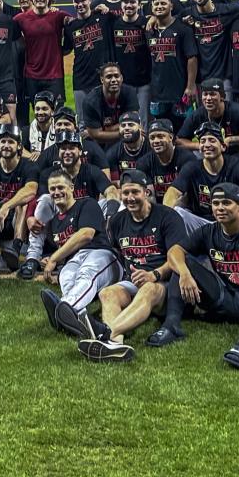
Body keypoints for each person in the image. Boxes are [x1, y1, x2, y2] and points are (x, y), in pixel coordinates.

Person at [146, 182, 239, 370]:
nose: (220, 208)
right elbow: (175, 251)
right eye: (216, 203)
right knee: (183, 265)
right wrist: (184, 274)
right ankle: (171, 326)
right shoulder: (209, 231)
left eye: (226, 203)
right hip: (224, 298)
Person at [74, 170, 188, 362]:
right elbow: (116, 251)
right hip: (134, 281)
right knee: (107, 293)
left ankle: (107, 333)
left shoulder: (168, 217)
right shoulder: (117, 222)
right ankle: (115, 345)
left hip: (166, 284)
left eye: (135, 192)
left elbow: (179, 257)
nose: (130, 198)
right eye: (125, 193)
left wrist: (154, 274)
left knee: (149, 290)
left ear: (146, 193)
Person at [20, 131, 118, 279]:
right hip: (59, 228)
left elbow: (110, 190)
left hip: (85, 226)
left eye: (71, 148)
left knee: (108, 203)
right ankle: (32, 258)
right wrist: (29, 217)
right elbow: (37, 197)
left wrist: (111, 212)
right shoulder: (50, 174)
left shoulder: (91, 170)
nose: (67, 152)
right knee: (46, 200)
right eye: (63, 149)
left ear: (80, 150)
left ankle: (113, 252)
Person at [34, 169, 120, 335]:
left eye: (61, 187)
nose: (56, 192)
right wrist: (51, 262)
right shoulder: (53, 224)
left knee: (86, 273)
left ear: (71, 188)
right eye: (52, 189)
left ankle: (64, 308)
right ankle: (77, 320)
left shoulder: (87, 204)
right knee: (66, 275)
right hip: (75, 260)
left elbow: (86, 234)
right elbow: (62, 251)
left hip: (101, 254)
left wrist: (54, 259)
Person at [163, 122, 239, 228]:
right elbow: (172, 193)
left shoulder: (238, 165)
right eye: (203, 141)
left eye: (212, 140)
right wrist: (167, 215)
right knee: (178, 212)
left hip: (233, 220)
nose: (207, 145)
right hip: (202, 223)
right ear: (199, 148)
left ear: (223, 146)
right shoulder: (191, 168)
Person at [0, 124, 40, 269]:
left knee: (24, 202)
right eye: (3, 142)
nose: (6, 145)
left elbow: (31, 190)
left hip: (16, 220)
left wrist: (6, 206)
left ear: (19, 146)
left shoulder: (29, 166)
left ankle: (15, 249)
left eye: (11, 142)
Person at [181, 0, 239, 98]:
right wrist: (153, 19)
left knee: (226, 112)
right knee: (204, 115)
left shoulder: (226, 10)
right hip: (200, 78)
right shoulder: (187, 13)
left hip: (224, 77)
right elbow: (168, 22)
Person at [146, 0, 198, 125]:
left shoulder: (183, 29)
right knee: (160, 130)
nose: (159, 6)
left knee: (182, 131)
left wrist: (191, 86)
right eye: (156, 4)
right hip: (157, 92)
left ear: (171, 6)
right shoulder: (149, 31)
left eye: (163, 3)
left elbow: (192, 58)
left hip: (180, 92)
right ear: (152, 8)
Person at [14, 0, 69, 107]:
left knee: (57, 113)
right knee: (39, 114)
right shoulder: (20, 19)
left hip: (54, 75)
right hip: (32, 76)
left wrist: (96, 11)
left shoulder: (59, 16)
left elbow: (79, 23)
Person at [176, 78, 239, 158]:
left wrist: (231, 139)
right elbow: (179, 141)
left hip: (235, 154)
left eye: (212, 94)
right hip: (206, 155)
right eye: (205, 94)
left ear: (222, 97)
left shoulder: (237, 111)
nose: (208, 98)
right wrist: (202, 145)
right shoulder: (197, 115)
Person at [66, 0, 115, 115]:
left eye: (83, 0)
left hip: (102, 79)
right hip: (80, 79)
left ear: (90, 0)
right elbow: (65, 49)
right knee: (83, 121)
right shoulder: (70, 26)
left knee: (107, 118)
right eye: (76, 1)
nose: (80, 4)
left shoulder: (103, 18)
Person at [111, 0, 151, 120]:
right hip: (122, 83)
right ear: (121, 4)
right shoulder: (113, 23)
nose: (129, 5)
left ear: (139, 4)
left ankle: (144, 141)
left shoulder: (147, 23)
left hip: (144, 82)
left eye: (133, 2)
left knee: (143, 119)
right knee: (124, 119)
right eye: (125, 2)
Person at [82, 62, 140, 148]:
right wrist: (124, 133)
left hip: (123, 141)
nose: (113, 80)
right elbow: (96, 135)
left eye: (116, 76)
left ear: (121, 78)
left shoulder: (129, 92)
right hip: (98, 143)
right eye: (109, 77)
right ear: (102, 80)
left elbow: (133, 121)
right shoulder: (90, 101)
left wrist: (106, 129)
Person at [138, 118, 198, 195]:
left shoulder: (187, 159)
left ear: (171, 137)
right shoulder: (143, 162)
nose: (156, 141)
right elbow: (149, 195)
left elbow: (186, 195)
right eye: (152, 138)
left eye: (160, 136)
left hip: (180, 204)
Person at [102, 112, 151, 183]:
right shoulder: (113, 152)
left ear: (140, 127)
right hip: (124, 190)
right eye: (123, 125)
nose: (126, 128)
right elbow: (115, 182)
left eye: (131, 125)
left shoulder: (150, 147)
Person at [24, 91, 58, 160]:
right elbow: (18, 148)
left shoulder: (59, 130)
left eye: (44, 109)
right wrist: (32, 156)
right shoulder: (27, 131)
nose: (40, 112)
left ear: (52, 111)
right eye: (37, 109)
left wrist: (41, 158)